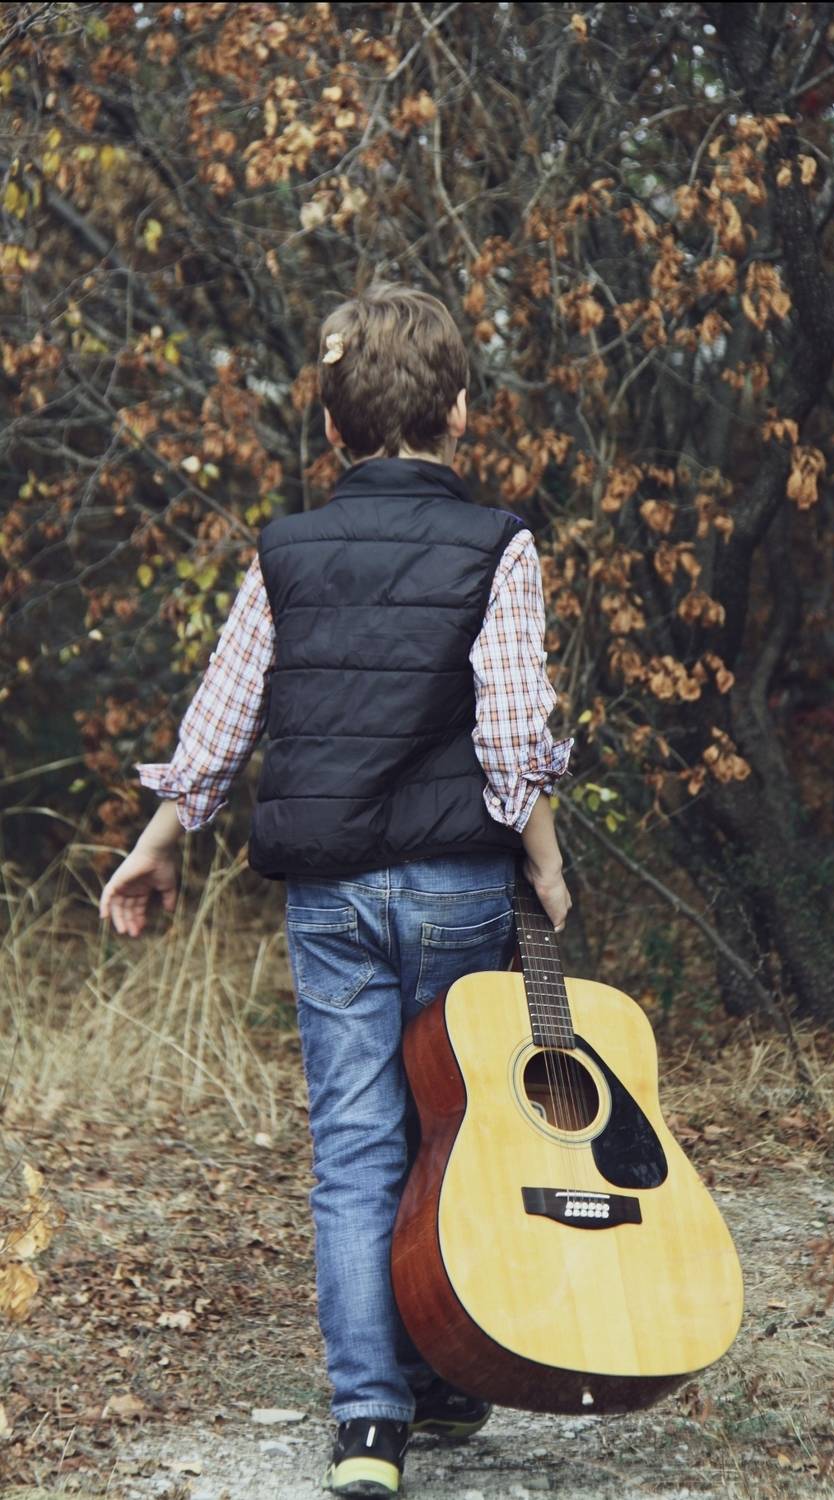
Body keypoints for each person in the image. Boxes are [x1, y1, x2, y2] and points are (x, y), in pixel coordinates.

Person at [98, 283, 573, 1498]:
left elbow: (221, 721)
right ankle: (443, 1372)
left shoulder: (285, 552)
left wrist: (158, 841)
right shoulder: (497, 544)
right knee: (455, 1131)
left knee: (358, 1147)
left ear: (328, 427)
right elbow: (512, 737)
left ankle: (369, 1424)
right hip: (456, 888)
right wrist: (546, 858)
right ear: (458, 412)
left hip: (333, 900)